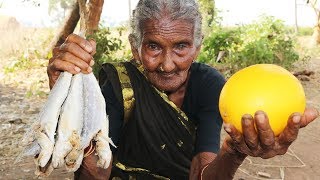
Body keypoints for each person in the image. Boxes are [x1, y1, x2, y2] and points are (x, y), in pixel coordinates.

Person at [47, 0, 319, 179]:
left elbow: (202, 172)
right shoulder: (120, 83)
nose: (167, 65)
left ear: (197, 47)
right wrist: (70, 110)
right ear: (135, 47)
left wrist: (235, 151)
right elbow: (96, 175)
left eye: (181, 47)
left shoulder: (209, 85)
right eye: (153, 46)